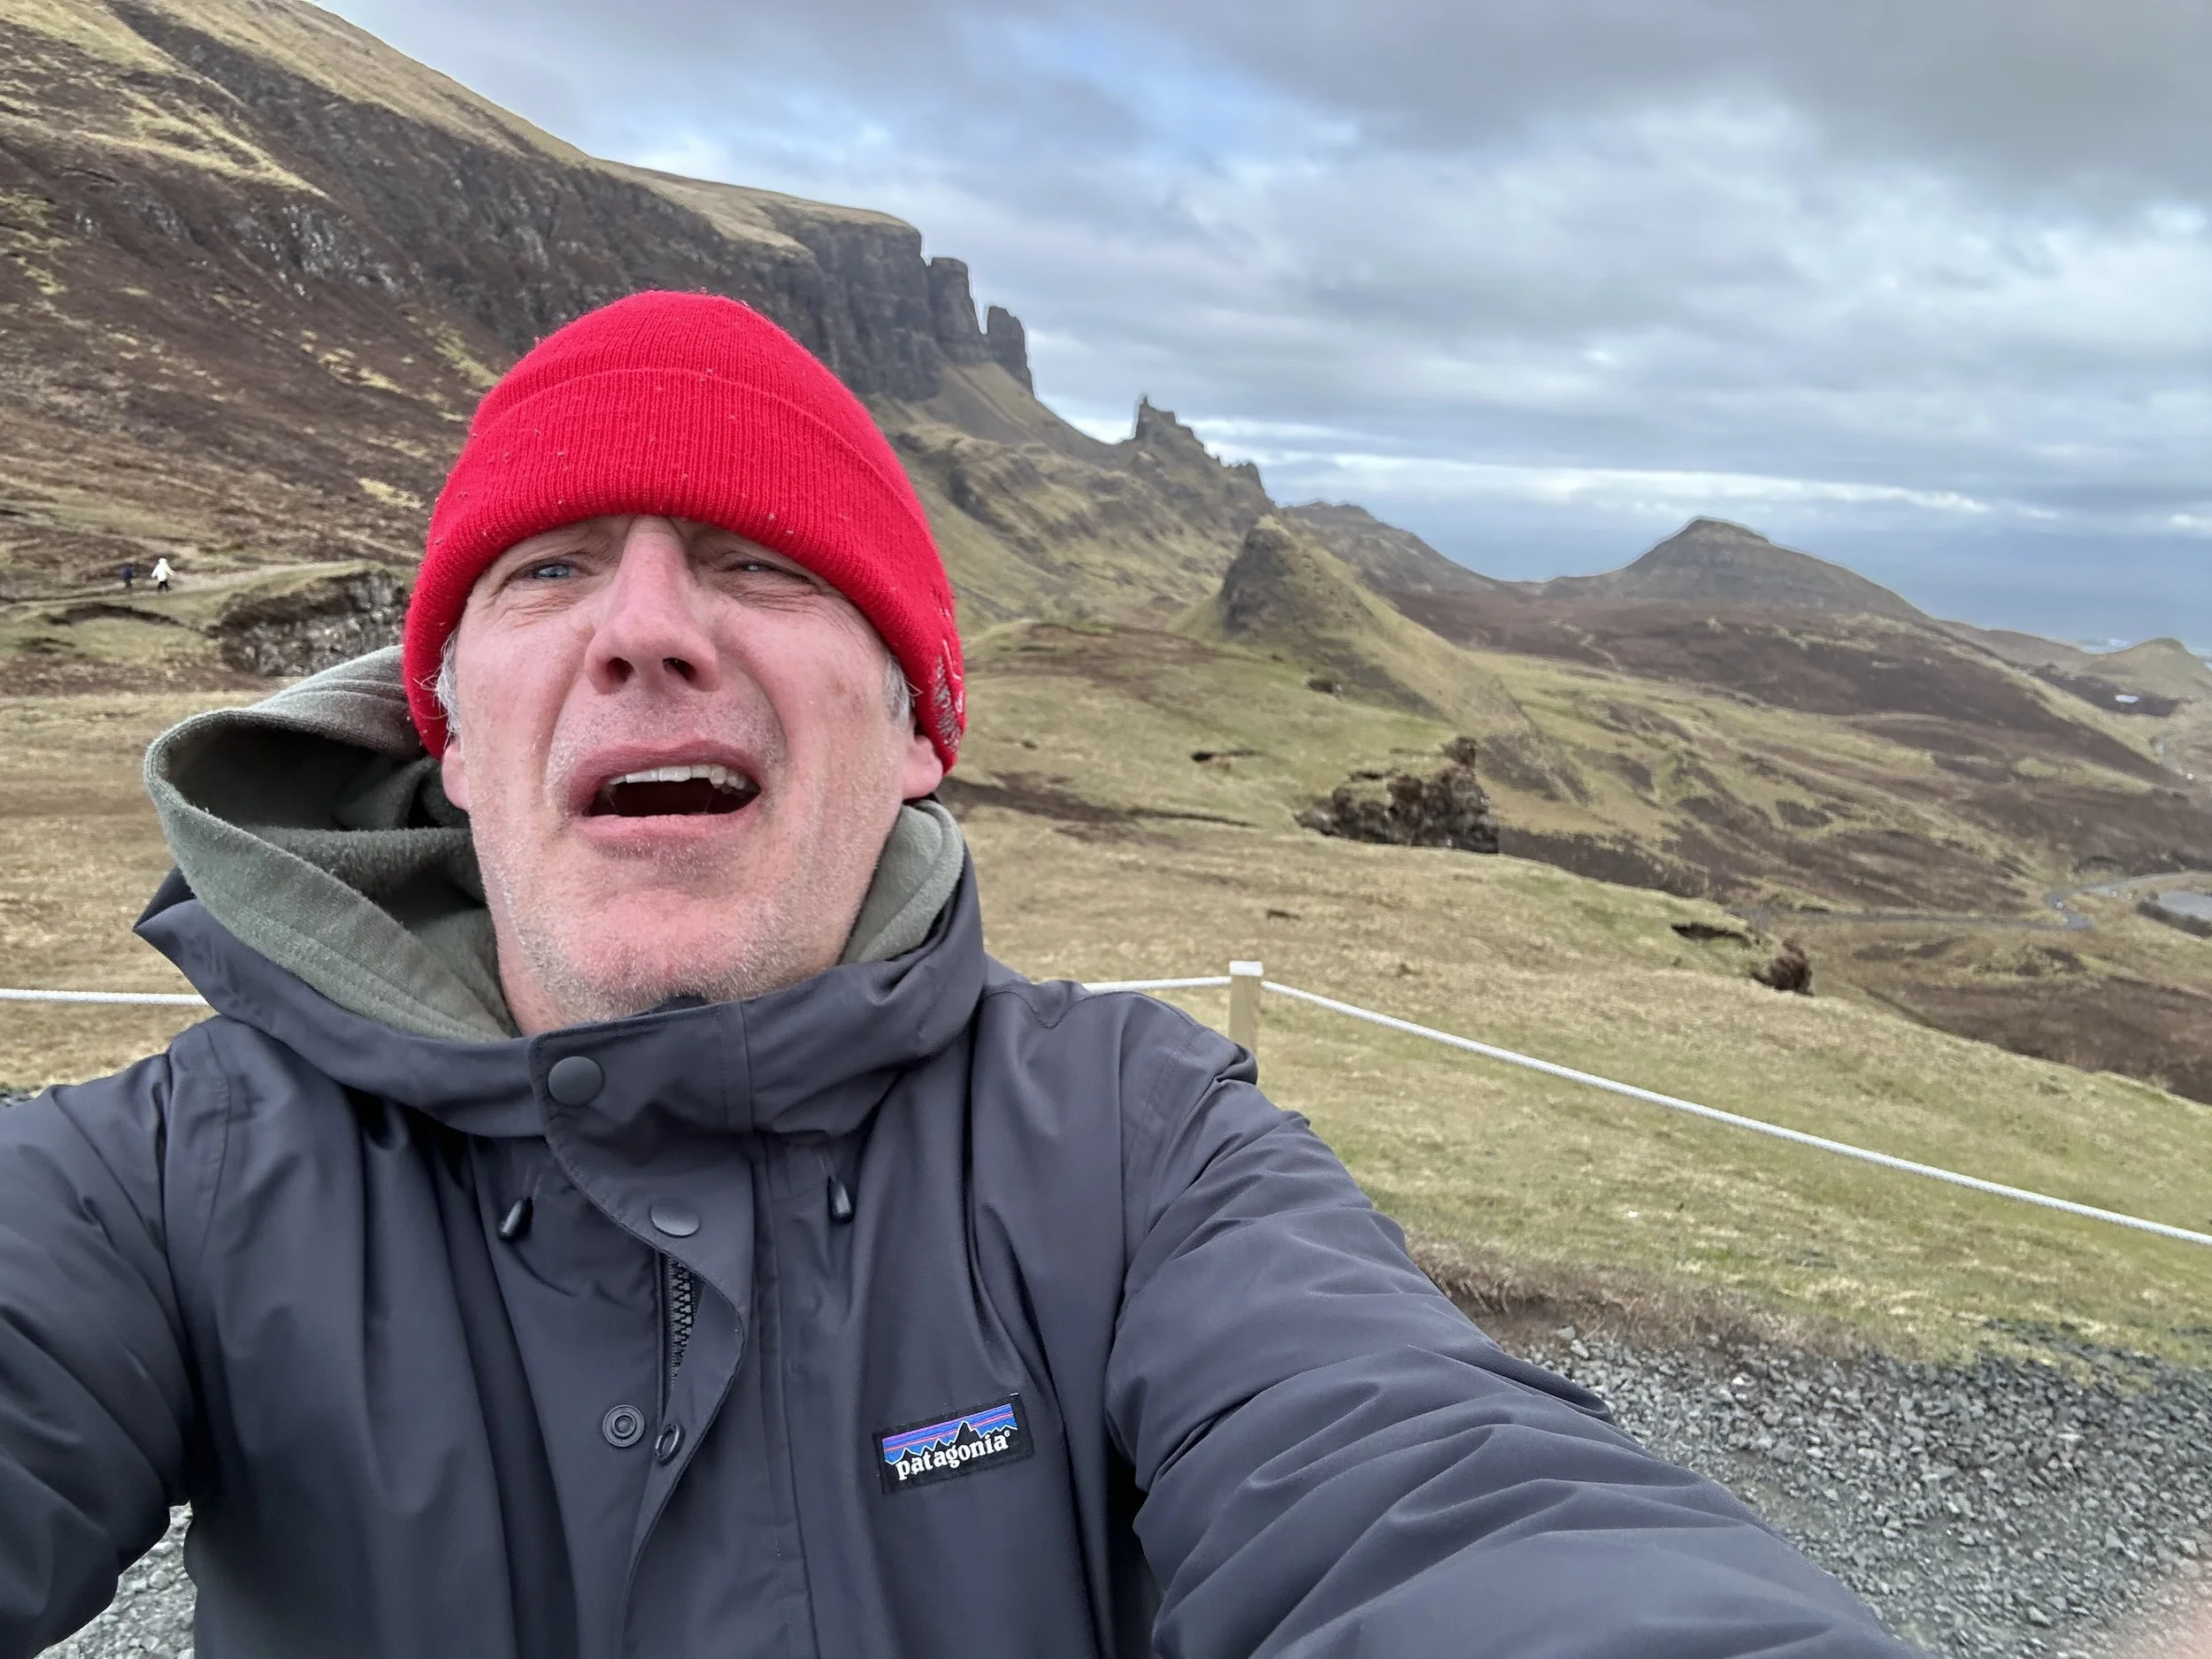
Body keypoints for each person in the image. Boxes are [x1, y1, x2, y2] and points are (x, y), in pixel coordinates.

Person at [0, 292, 1920, 1659]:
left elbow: (1436, 1495)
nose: (647, 628)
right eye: (550, 568)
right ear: (447, 722)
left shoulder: (1136, 1150)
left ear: (919, 727)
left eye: (759, 565)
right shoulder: (157, 1185)